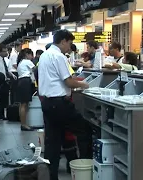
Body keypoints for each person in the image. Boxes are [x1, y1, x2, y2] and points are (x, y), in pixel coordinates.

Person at [38, 30, 92, 180]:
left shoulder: (44, 55)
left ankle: (51, 176)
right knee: (85, 130)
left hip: (48, 103)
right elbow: (68, 81)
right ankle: (86, 167)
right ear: (63, 41)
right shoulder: (58, 56)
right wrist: (85, 85)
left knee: (53, 142)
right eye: (69, 43)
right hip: (59, 104)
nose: (69, 47)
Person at [0, 44, 17, 120]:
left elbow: (7, 70)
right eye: (4, 51)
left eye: (6, 51)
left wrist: (12, 75)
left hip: (5, 82)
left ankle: (3, 114)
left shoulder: (6, 60)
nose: (6, 53)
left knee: (5, 99)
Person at [16, 48, 36, 131]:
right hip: (25, 82)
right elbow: (36, 69)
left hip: (21, 82)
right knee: (24, 104)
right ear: (27, 54)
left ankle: (23, 123)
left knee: (22, 104)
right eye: (31, 55)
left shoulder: (21, 62)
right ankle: (24, 125)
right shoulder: (27, 61)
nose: (32, 57)